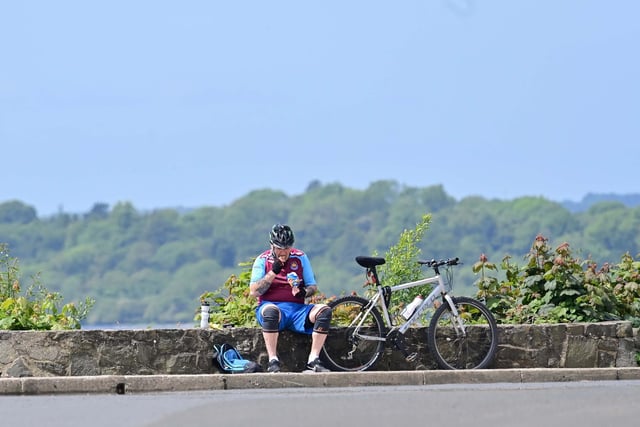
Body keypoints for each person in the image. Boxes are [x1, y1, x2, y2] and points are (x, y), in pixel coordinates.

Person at [249, 224, 332, 373]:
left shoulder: (300, 257)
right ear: (272, 246)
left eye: (287, 248)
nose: (284, 252)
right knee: (271, 312)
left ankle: (313, 359)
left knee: (324, 311)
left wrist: (303, 292)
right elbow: (254, 291)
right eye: (280, 248)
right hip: (272, 306)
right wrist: (272, 272)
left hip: (297, 309)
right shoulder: (262, 260)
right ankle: (273, 360)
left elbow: (312, 286)